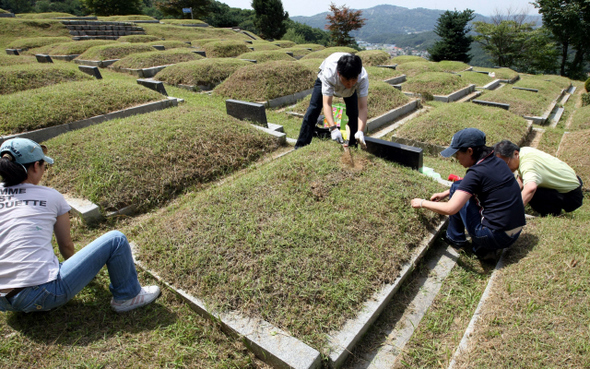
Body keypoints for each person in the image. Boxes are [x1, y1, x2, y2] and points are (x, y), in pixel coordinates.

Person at [0, 138, 160, 313]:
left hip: (3, 301)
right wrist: (81, 271)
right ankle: (128, 296)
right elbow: (66, 245)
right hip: (42, 294)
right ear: (36, 166)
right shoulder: (51, 196)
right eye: (44, 166)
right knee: (116, 239)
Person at [410, 128, 526, 260]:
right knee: (457, 187)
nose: (456, 158)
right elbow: (474, 184)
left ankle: (455, 238)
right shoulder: (497, 161)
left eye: (458, 153)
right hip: (515, 232)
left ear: (470, 151)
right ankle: (483, 247)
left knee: (456, 188)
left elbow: (451, 208)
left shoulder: (476, 173)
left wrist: (421, 203)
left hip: (495, 236)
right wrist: (444, 193)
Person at [294, 52, 369, 149]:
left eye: (354, 80)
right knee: (314, 109)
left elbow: (362, 107)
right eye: (347, 80)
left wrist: (360, 131)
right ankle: (301, 146)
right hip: (327, 80)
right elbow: (327, 104)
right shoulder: (329, 72)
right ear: (339, 73)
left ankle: (353, 144)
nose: (350, 83)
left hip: (350, 92)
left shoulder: (362, 77)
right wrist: (333, 128)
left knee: (354, 113)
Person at [494, 140, 583, 216]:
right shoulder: (524, 151)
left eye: (505, 164)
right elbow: (521, 179)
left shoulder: (528, 164)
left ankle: (552, 213)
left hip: (572, 197)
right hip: (574, 183)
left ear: (516, 154)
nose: (504, 168)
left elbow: (530, 188)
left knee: (533, 193)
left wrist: (512, 212)